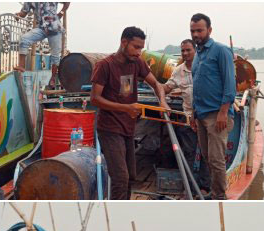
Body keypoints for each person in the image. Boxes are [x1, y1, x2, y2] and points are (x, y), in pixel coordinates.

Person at [90, 27, 168, 200]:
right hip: (110, 129)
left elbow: (157, 85)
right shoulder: (105, 66)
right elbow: (95, 99)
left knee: (131, 177)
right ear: (123, 42)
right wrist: (126, 108)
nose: (139, 52)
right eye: (136, 47)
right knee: (120, 178)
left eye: (141, 48)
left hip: (128, 127)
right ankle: (115, 217)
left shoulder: (137, 63)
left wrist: (162, 101)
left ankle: (124, 211)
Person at [189, 13, 236, 200]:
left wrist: (224, 112)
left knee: (217, 159)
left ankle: (220, 196)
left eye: (199, 30)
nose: (196, 34)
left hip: (217, 114)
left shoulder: (221, 51)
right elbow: (197, 85)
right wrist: (194, 113)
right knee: (208, 157)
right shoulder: (197, 54)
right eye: (192, 31)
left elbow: (229, 84)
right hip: (201, 114)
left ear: (209, 30)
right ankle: (214, 191)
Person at [163, 39, 209, 189]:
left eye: (188, 50)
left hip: (205, 117)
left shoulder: (205, 67)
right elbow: (167, 88)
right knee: (188, 153)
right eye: (183, 50)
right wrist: (159, 92)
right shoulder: (178, 71)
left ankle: (205, 186)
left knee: (206, 154)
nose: (185, 53)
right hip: (188, 117)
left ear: (195, 51)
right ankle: (188, 187)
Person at [14, 2, 70, 88]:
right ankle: (21, 66)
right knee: (24, 39)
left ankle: (53, 77)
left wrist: (61, 12)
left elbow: (67, 2)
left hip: (55, 28)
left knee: (55, 56)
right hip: (41, 28)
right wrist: (17, 15)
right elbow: (23, 13)